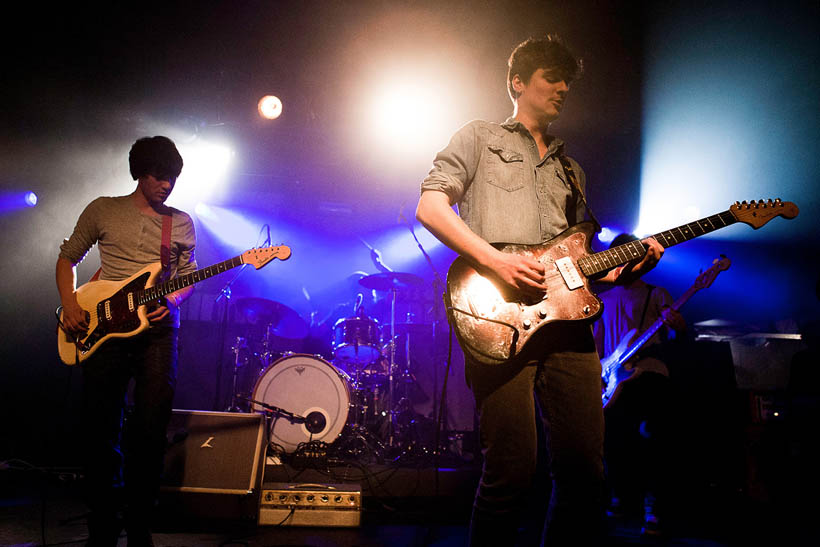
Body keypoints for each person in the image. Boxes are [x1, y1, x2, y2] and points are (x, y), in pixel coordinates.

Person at [415, 36, 665, 545]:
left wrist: (623, 271)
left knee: (585, 473)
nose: (563, 88)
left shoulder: (573, 172)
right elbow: (430, 207)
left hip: (571, 329)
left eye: (567, 80)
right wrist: (495, 258)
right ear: (518, 83)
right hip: (497, 312)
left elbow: (580, 266)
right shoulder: (479, 138)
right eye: (552, 77)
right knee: (510, 470)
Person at [56, 136, 197, 547]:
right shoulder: (103, 209)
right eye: (158, 176)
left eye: (172, 178)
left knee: (151, 427)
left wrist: (172, 299)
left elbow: (187, 279)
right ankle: (103, 518)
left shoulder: (181, 222)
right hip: (104, 331)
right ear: (139, 172)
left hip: (156, 333)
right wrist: (69, 304)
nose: (166, 185)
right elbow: (68, 257)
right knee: (101, 427)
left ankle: (139, 522)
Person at [594, 233, 686, 536]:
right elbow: (596, 346)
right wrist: (600, 372)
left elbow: (675, 339)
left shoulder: (657, 294)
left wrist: (678, 327)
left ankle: (653, 508)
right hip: (613, 379)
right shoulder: (601, 299)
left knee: (654, 441)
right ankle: (619, 500)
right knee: (614, 443)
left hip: (650, 372)